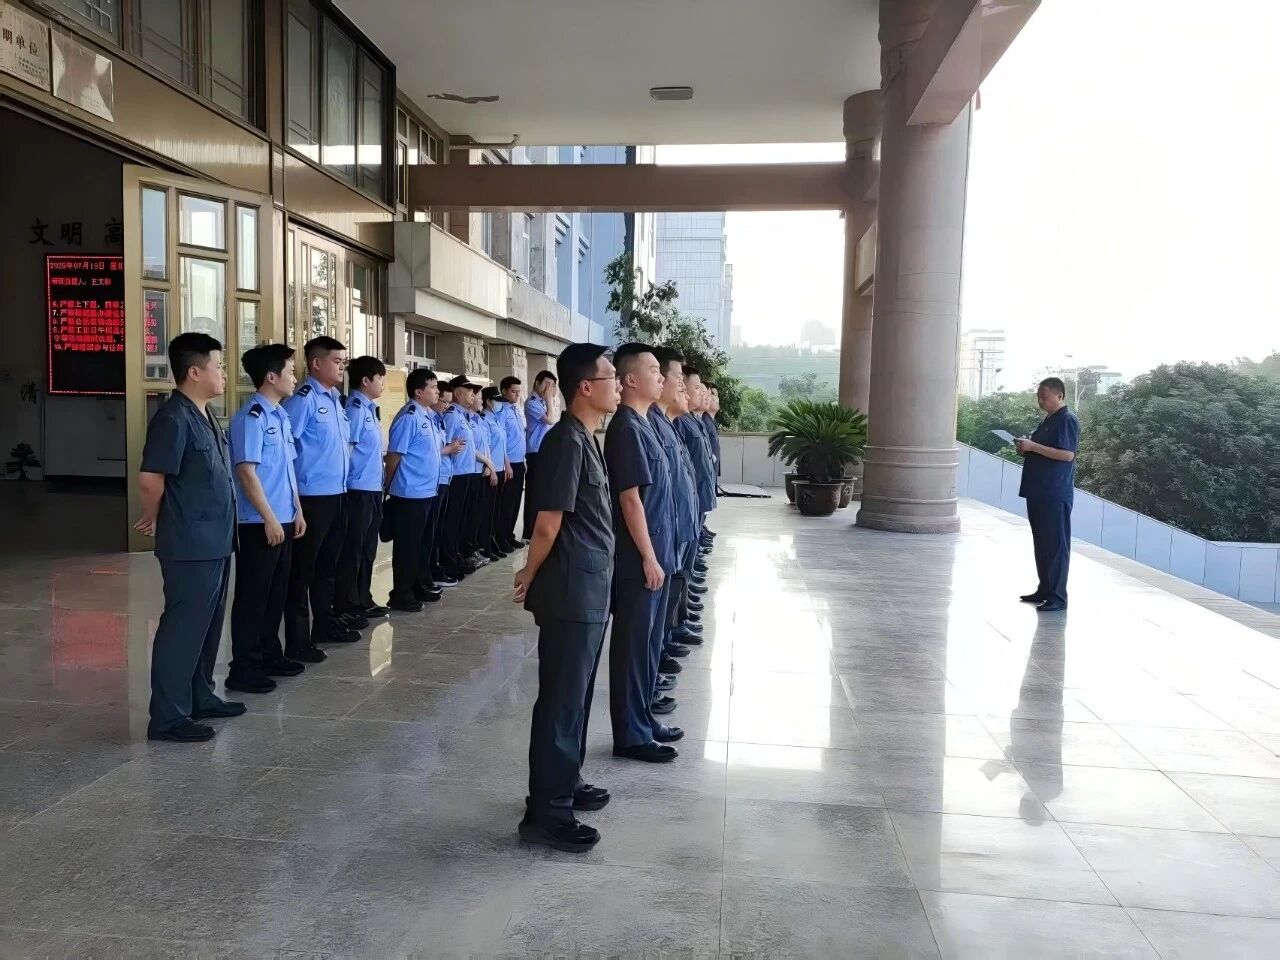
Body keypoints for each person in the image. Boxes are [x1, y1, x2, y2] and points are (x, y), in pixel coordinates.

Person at [513, 343, 618, 853]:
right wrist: (529, 572)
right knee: (561, 701)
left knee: (575, 697)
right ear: (586, 387)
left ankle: (565, 780)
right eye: (611, 377)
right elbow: (547, 523)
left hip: (589, 588)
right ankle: (547, 812)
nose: (617, 385)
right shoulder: (565, 441)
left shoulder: (585, 437)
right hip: (571, 592)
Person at [134, 332, 245, 742]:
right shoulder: (173, 418)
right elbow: (151, 478)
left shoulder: (205, 414)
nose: (224, 373)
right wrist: (153, 514)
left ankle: (200, 696)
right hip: (190, 543)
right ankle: (168, 717)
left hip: (215, 539)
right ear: (194, 372)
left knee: (208, 626)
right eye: (218, 366)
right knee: (183, 627)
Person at [605, 344, 681, 763]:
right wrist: (649, 557)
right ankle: (631, 734)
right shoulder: (626, 428)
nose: (661, 376)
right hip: (640, 559)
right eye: (653, 370)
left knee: (650, 645)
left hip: (658, 552)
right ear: (630, 379)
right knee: (633, 648)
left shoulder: (646, 422)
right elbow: (630, 499)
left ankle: (644, 720)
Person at [225, 344, 306, 696]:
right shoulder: (251, 418)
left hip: (283, 518)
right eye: (290, 371)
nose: (294, 377)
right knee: (253, 598)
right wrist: (269, 518)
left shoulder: (280, 416)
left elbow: (287, 470)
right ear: (271, 377)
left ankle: (271, 655)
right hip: (258, 523)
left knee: (276, 594)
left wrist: (297, 510)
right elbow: (246, 472)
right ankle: (244, 668)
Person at [282, 336, 356, 663]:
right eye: (337, 361)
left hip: (337, 494)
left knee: (328, 567)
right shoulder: (304, 400)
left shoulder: (336, 400)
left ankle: (324, 624)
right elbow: (287, 450)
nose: (342, 367)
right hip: (311, 499)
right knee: (302, 572)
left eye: (343, 362)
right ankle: (297, 640)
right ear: (316, 363)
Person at [651, 347, 704, 678]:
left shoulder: (667, 423)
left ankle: (667, 640)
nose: (683, 388)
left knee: (673, 591)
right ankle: (660, 653)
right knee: (654, 612)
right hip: (663, 532)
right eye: (679, 379)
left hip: (679, 523)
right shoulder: (643, 425)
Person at [385, 367, 449, 612]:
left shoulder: (428, 416)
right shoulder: (409, 417)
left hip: (427, 491)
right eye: (432, 387)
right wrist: (388, 485)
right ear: (418, 392)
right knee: (408, 547)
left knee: (423, 544)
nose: (437, 392)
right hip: (409, 493)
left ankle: (418, 586)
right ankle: (401, 593)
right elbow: (394, 456)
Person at [1016, 377, 1080, 612]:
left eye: (1044, 397)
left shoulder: (1067, 420)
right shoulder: (1048, 421)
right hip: (1039, 489)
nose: (1040, 401)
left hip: (1054, 491)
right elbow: (1045, 451)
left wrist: (1033, 446)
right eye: (1038, 397)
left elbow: (1067, 455)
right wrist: (1026, 448)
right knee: (1042, 542)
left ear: (1060, 395)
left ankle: (1057, 597)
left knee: (1055, 545)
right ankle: (1045, 588)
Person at [334, 356, 388, 626]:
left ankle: (363, 597)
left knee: (368, 548)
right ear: (365, 381)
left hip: (372, 488)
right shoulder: (355, 410)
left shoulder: (368, 409)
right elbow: (348, 451)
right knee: (353, 550)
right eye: (380, 379)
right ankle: (348, 603)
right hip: (357, 490)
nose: (382, 385)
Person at [439, 377, 478, 579]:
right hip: (456, 475)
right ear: (457, 393)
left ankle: (456, 556)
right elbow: (444, 445)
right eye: (469, 390)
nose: (473, 394)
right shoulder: (452, 416)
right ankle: (448, 561)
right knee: (451, 522)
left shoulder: (462, 415)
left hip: (466, 473)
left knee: (461, 521)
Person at [522, 370, 558, 540]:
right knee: (533, 492)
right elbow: (550, 419)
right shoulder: (532, 403)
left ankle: (536, 529)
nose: (549, 389)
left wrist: (550, 398)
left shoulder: (542, 402)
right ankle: (529, 531)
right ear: (537, 382)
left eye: (552, 385)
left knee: (542, 492)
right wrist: (550, 399)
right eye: (547, 384)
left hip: (544, 450)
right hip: (535, 452)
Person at [429, 383, 458, 587]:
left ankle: (434, 568)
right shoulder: (415, 417)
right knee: (430, 532)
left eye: (449, 402)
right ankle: (429, 571)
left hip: (444, 477)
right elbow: (428, 451)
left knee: (437, 529)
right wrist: (449, 449)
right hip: (433, 482)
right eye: (443, 401)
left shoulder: (437, 420)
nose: (446, 406)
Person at [496, 376, 527, 551]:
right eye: (513, 391)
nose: (517, 395)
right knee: (506, 503)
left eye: (518, 392)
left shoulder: (517, 409)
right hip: (508, 463)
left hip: (519, 461)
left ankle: (509, 535)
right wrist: (506, 463)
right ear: (504, 391)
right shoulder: (501, 411)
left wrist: (523, 460)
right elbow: (501, 440)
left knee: (515, 502)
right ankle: (501, 538)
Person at [481, 386, 509, 559]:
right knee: (488, 511)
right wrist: (491, 470)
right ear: (488, 401)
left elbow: (503, 446)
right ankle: (485, 546)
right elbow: (486, 448)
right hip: (491, 471)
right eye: (497, 401)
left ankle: (492, 541)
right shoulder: (484, 420)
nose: (500, 404)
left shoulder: (496, 419)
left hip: (500, 469)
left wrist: (506, 466)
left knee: (496, 509)